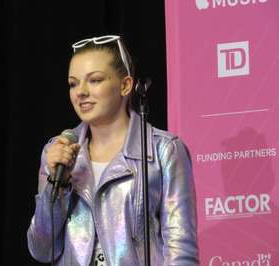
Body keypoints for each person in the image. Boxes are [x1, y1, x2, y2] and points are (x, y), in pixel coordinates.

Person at [27, 35, 199, 265]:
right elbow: (41, 248)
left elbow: (181, 250)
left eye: (95, 80)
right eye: (73, 83)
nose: (81, 92)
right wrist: (57, 185)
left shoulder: (164, 150)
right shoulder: (57, 151)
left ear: (126, 85)